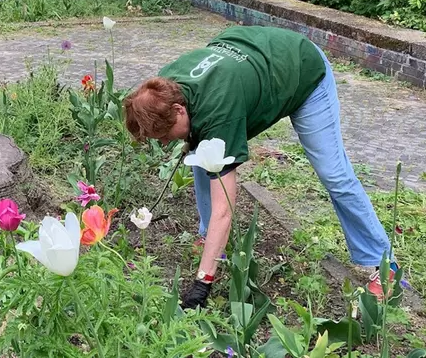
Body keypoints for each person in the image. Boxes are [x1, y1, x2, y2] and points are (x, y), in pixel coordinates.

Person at [122, 25, 396, 309]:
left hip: (300, 69)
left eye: (166, 135)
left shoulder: (218, 114)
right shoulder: (164, 87)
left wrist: (202, 283)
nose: (166, 143)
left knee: (334, 174)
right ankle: (210, 242)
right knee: (205, 158)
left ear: (179, 110)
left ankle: (384, 264)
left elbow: (224, 209)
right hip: (256, 56)